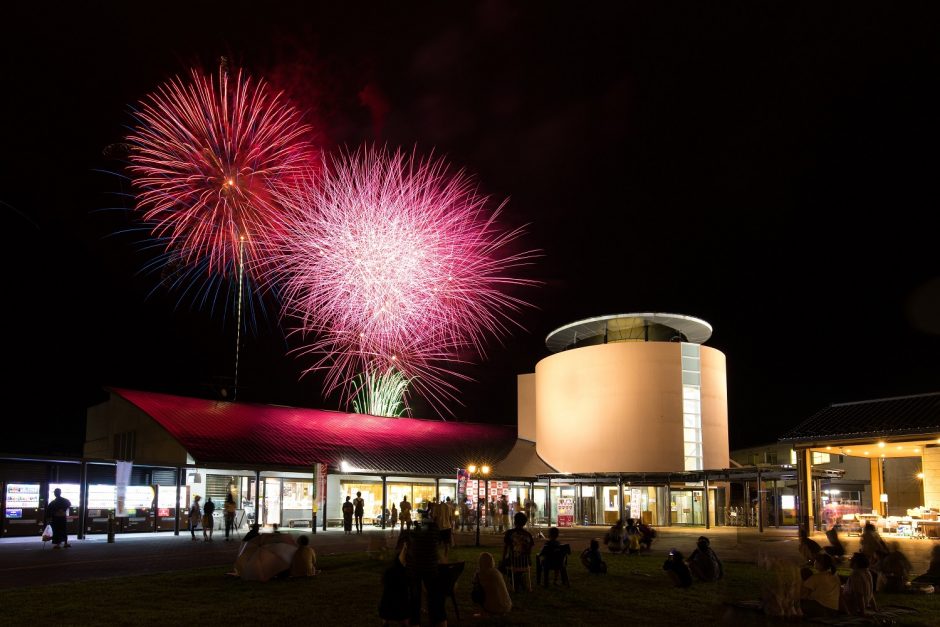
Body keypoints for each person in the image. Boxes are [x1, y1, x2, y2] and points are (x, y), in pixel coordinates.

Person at [404, 514, 446, 627]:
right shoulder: (434, 531)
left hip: (415, 568)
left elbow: (409, 547)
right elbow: (438, 544)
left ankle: (415, 621)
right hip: (430, 567)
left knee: (415, 597)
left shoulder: (415, 532)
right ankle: (437, 620)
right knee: (433, 596)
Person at [472, 551, 512, 617]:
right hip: (506, 606)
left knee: (476, 591)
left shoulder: (480, 574)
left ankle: (484, 612)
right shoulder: (496, 572)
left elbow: (474, 583)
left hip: (493, 607)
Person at [502, 512, 535, 591]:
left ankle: (516, 581)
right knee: (514, 565)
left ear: (514, 521)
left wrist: (503, 558)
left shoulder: (510, 533)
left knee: (502, 566)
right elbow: (529, 550)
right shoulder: (528, 535)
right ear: (524, 523)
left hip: (513, 561)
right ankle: (519, 580)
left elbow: (506, 547)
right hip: (525, 562)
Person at [800, 553, 840, 618]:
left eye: (815, 561)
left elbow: (803, 594)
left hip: (821, 609)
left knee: (797, 603)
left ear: (820, 564)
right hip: (833, 610)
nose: (814, 562)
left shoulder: (816, 577)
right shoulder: (835, 576)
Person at [379, 553, 410, 626]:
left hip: (386, 605)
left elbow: (383, 582)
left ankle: (386, 622)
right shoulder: (406, 572)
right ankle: (403, 622)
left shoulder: (388, 571)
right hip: (401, 606)